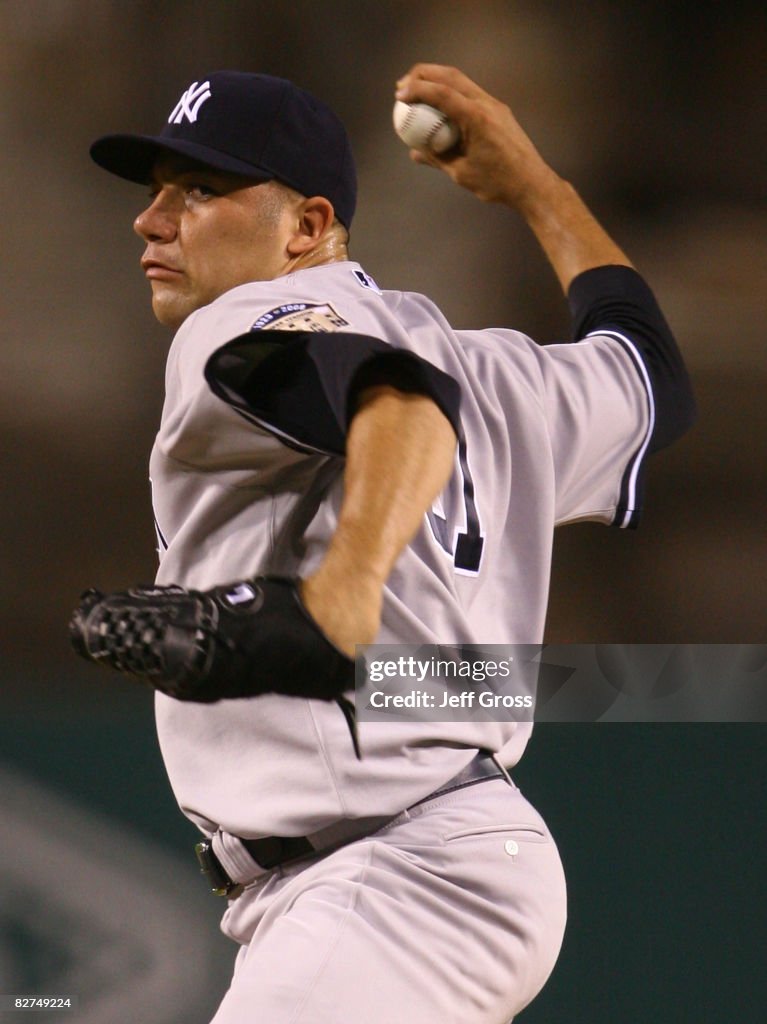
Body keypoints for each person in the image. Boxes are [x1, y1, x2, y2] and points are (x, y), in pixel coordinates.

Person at [76, 64, 695, 1023]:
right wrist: (537, 188)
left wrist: (341, 596)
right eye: (156, 191)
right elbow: (649, 375)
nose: (151, 220)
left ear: (308, 227)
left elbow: (399, 398)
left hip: (387, 874)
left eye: (199, 190)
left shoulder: (234, 324)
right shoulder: (500, 369)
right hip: (439, 865)